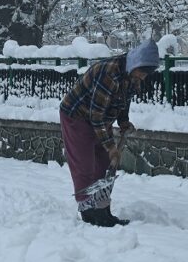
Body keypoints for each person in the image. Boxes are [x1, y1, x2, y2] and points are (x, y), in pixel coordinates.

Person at [59, 39, 159, 227]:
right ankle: (89, 214)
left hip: (99, 117)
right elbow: (96, 117)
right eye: (142, 73)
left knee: (104, 164)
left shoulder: (132, 75)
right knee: (85, 164)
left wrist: (123, 121)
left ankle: (103, 211)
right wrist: (111, 146)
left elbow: (124, 99)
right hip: (77, 115)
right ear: (135, 64)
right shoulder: (109, 73)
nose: (143, 78)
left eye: (146, 74)